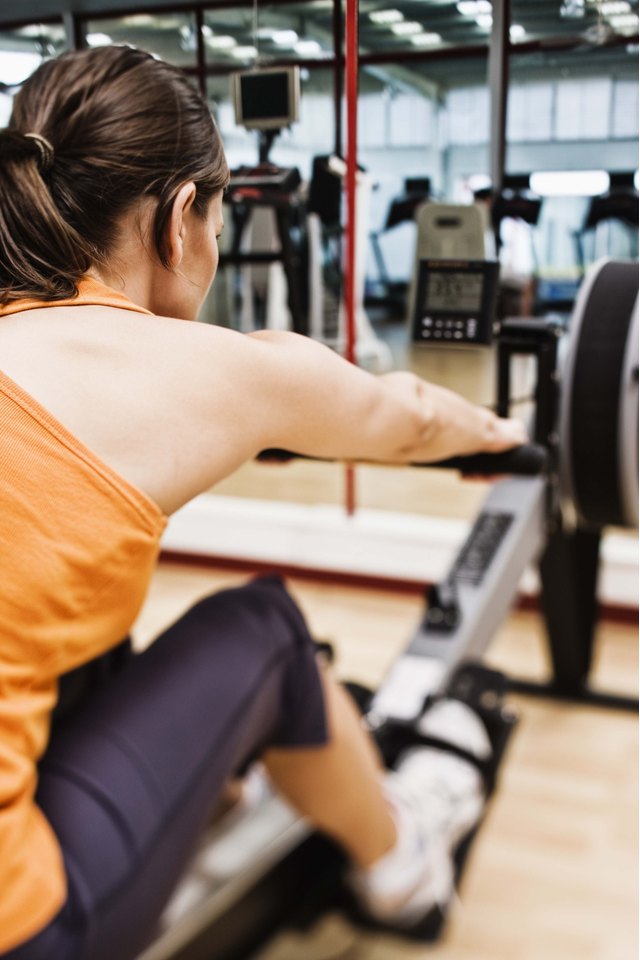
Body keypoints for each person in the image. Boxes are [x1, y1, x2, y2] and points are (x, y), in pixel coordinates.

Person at [0, 45, 527, 960]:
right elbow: (403, 419)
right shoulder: (200, 370)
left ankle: (216, 786)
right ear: (178, 220)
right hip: (25, 927)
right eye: (218, 213)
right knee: (267, 631)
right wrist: (509, 439)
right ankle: (405, 869)